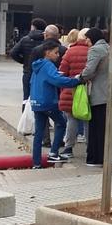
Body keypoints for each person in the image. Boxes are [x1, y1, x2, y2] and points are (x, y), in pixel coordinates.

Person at [28, 40, 80, 168]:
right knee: (61, 123)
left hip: (37, 102)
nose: (58, 55)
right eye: (56, 52)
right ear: (47, 52)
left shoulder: (37, 66)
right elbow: (56, 80)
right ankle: (53, 152)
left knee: (39, 133)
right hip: (48, 102)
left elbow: (34, 82)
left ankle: (36, 163)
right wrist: (76, 81)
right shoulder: (48, 65)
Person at [80, 28, 112, 166]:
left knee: (98, 128)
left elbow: (89, 71)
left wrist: (79, 77)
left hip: (101, 94)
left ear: (92, 38)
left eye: (87, 39)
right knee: (111, 128)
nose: (86, 42)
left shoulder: (95, 50)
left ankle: (98, 158)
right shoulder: (110, 48)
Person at [58, 28, 89, 158]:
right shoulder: (92, 51)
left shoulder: (69, 52)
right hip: (88, 91)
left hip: (71, 91)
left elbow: (62, 72)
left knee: (71, 120)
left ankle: (69, 148)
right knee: (88, 120)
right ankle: (90, 148)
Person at [10, 17, 47, 107]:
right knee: (42, 98)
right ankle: (41, 120)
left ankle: (25, 118)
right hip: (43, 73)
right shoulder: (46, 41)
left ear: (33, 27)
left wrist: (23, 61)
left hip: (28, 71)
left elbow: (13, 53)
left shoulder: (25, 39)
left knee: (26, 99)